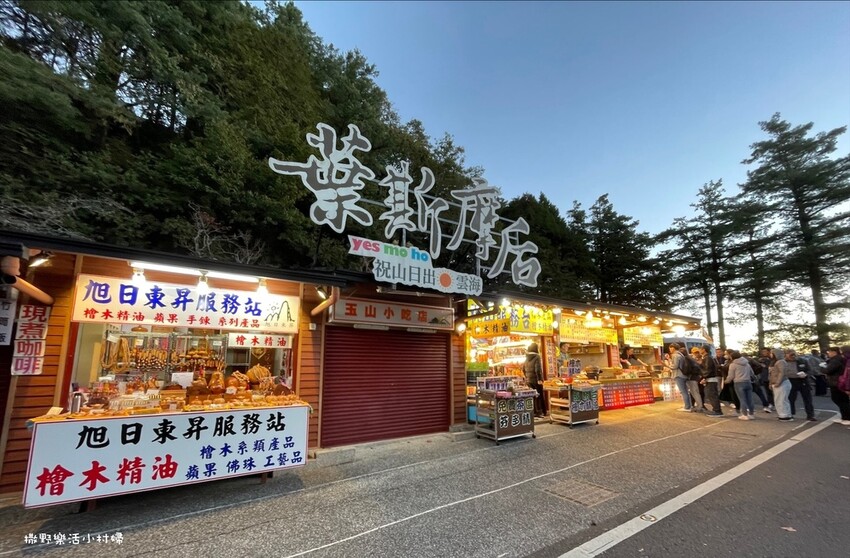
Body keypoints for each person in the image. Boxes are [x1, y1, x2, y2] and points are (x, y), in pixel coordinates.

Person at [786, 349, 816, 421]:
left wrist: (806, 374)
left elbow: (810, 370)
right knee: (791, 398)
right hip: (790, 380)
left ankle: (810, 415)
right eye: (791, 355)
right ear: (786, 355)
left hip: (802, 380)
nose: (793, 357)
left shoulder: (802, 361)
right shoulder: (783, 362)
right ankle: (791, 413)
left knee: (807, 398)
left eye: (794, 355)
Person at [823, 346, 850, 425]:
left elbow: (828, 370)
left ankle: (847, 417)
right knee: (842, 399)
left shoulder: (836, 360)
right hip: (840, 381)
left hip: (837, 382)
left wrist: (822, 368)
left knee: (839, 399)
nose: (828, 354)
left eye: (829, 352)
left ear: (834, 352)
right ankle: (844, 417)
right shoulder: (843, 359)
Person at [727, 350, 756, 420]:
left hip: (738, 383)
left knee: (742, 399)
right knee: (750, 399)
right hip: (748, 382)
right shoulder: (747, 363)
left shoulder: (733, 365)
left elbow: (731, 376)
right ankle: (751, 414)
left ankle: (744, 414)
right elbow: (752, 373)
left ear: (732, 357)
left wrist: (727, 381)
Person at [769, 350, 796, 421]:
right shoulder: (776, 362)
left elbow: (781, 373)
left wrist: (778, 383)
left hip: (782, 383)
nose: (770, 354)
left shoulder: (780, 362)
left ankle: (784, 415)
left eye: (772, 353)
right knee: (782, 399)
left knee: (781, 400)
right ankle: (786, 414)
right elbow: (772, 374)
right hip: (778, 383)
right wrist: (771, 383)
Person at [664, 343, 692, 412]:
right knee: (686, 391)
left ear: (673, 348)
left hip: (678, 375)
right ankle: (689, 405)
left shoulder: (675, 355)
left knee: (683, 391)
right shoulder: (680, 354)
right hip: (684, 374)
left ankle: (687, 407)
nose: (670, 350)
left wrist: (667, 365)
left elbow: (675, 366)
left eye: (670, 348)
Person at [696, 346, 723, 416]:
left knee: (712, 395)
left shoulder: (707, 358)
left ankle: (717, 411)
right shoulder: (707, 358)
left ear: (704, 350)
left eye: (700, 349)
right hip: (709, 379)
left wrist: (704, 377)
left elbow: (707, 369)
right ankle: (716, 410)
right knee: (711, 395)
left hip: (710, 379)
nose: (699, 351)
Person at [523, 342, 546, 417]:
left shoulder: (527, 357)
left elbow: (523, 369)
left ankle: (534, 412)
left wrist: (527, 376)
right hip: (536, 380)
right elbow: (538, 369)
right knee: (539, 395)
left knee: (532, 396)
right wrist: (539, 379)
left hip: (529, 380)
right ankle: (541, 412)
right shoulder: (537, 356)